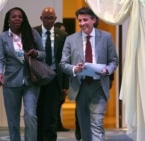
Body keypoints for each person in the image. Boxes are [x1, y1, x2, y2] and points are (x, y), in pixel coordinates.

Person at [59, 7, 119, 141]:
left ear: (94, 20)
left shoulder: (106, 37)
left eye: (85, 19)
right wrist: (75, 68)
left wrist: (107, 70)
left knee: (96, 123)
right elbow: (63, 64)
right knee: (84, 126)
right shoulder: (70, 39)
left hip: (99, 85)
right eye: (79, 20)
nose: (82, 23)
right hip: (80, 87)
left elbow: (114, 61)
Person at [0, 7, 45, 141]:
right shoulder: (2, 37)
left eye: (20, 16)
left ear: (24, 19)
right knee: (13, 119)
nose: (17, 19)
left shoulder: (33, 33)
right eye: (14, 16)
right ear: (8, 20)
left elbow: (43, 54)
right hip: (10, 82)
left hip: (31, 81)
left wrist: (36, 53)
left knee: (30, 115)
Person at [34, 7, 69, 141]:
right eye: (46, 17)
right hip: (37, 79)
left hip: (54, 80)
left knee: (52, 114)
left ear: (55, 19)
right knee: (38, 112)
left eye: (51, 18)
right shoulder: (33, 32)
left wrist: (65, 84)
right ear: (41, 18)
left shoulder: (63, 36)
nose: (49, 20)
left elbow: (65, 60)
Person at [53, 22, 70, 132]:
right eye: (61, 30)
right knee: (55, 105)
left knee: (59, 104)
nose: (64, 33)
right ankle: (56, 125)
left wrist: (66, 84)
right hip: (54, 78)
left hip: (62, 77)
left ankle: (58, 125)